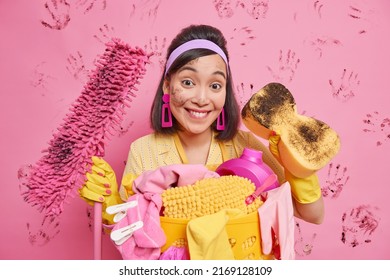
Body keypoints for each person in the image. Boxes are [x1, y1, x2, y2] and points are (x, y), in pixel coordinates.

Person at [80, 24, 324, 229]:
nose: (201, 98)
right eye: (188, 82)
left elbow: (311, 214)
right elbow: (132, 232)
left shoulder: (244, 147)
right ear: (167, 85)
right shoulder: (143, 151)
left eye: (215, 85)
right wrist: (112, 206)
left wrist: (299, 169)